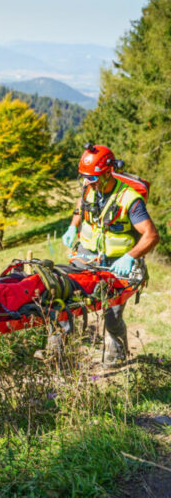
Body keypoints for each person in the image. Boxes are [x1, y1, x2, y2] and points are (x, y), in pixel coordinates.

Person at [62, 144, 159, 367]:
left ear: (107, 173)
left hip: (118, 262)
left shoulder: (129, 199)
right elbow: (81, 206)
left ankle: (117, 356)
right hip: (86, 256)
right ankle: (58, 350)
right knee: (63, 293)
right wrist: (72, 227)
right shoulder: (89, 188)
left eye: (93, 178)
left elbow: (152, 236)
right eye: (85, 177)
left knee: (112, 315)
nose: (88, 182)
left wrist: (131, 257)